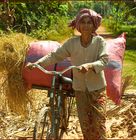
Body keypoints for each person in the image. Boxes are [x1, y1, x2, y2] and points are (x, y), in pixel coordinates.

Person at [27, 8, 108, 139]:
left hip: (97, 89)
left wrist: (90, 65)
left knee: (99, 123)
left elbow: (104, 61)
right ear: (78, 25)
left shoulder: (99, 42)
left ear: (94, 25)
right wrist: (37, 63)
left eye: (89, 22)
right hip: (80, 90)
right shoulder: (72, 43)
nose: (86, 25)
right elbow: (55, 56)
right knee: (85, 124)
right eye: (83, 22)